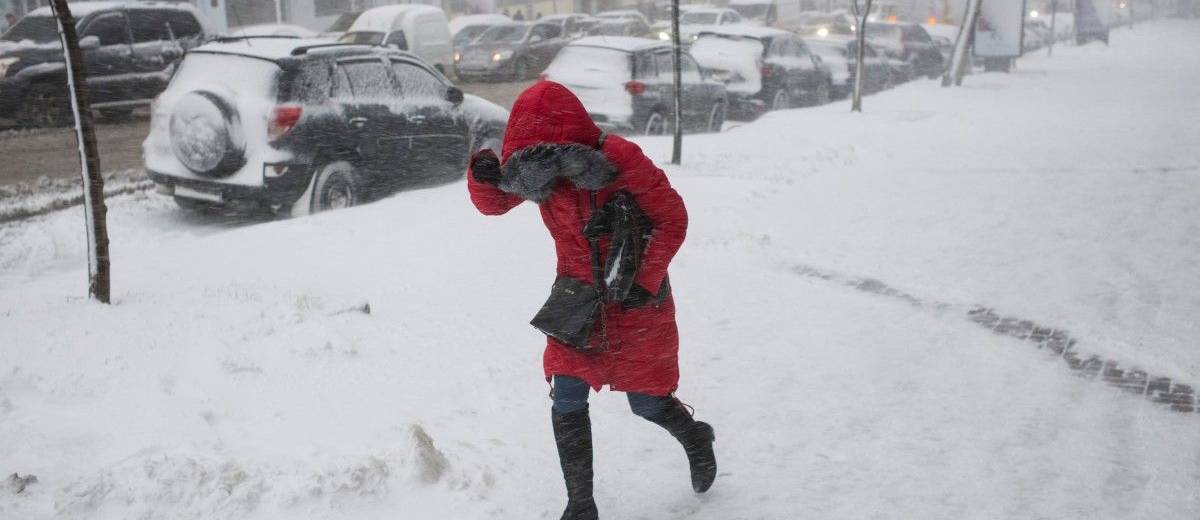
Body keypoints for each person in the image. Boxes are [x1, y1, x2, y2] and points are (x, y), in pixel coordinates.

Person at [466, 81, 717, 520]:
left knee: (646, 401)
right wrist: (484, 175)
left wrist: (644, 280)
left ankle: (695, 437)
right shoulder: (537, 171)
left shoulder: (619, 158)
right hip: (576, 297)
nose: (546, 174)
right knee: (566, 393)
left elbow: (671, 217)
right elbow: (494, 204)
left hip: (636, 298)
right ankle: (581, 504)